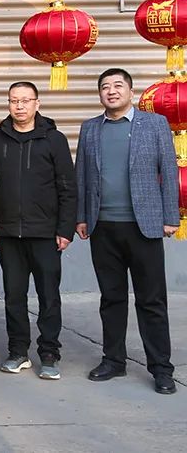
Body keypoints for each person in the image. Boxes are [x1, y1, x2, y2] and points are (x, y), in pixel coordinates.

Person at [75, 68, 178, 394]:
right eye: (105, 86)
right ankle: (113, 360)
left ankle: (161, 368)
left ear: (130, 91)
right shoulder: (90, 128)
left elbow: (169, 170)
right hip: (103, 227)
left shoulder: (154, 124)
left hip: (144, 226)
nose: (111, 91)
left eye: (118, 85)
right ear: (100, 94)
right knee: (111, 298)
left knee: (152, 300)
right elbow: (82, 175)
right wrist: (81, 216)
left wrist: (171, 216)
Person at [0, 81, 76, 380]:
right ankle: (18, 351)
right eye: (14, 100)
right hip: (8, 233)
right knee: (14, 296)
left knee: (49, 296)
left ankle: (49, 353)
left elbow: (67, 186)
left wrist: (65, 229)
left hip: (46, 233)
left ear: (37, 103)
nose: (19, 106)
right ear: (8, 104)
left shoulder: (54, 140)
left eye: (25, 100)